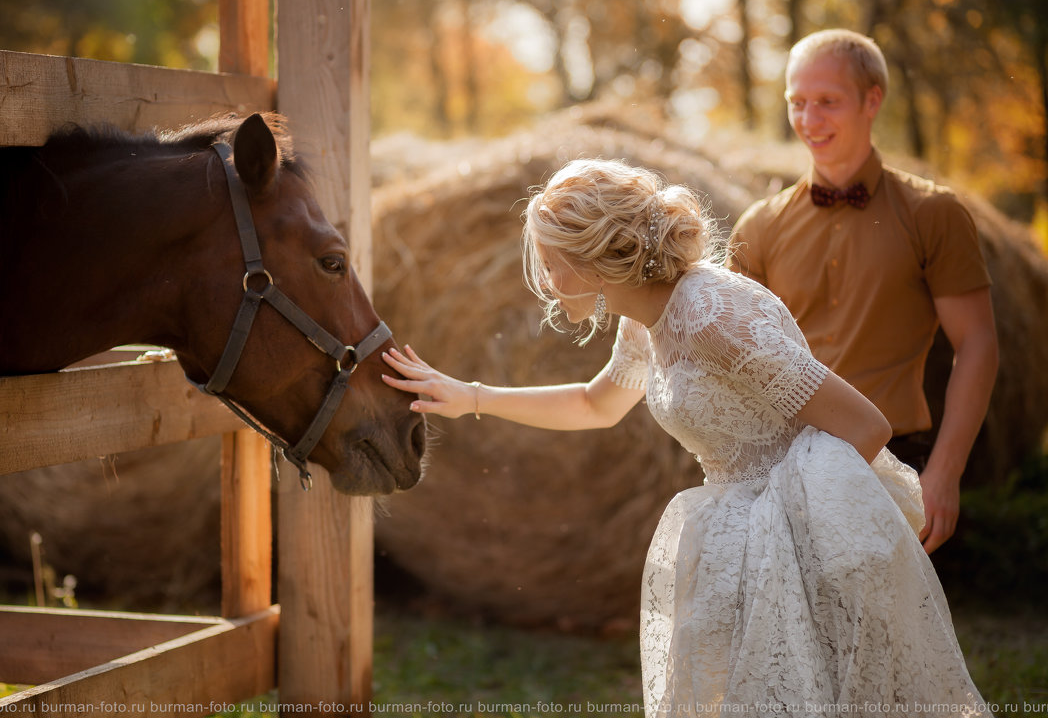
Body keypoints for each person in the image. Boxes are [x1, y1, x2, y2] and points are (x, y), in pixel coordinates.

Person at [382, 158, 991, 713]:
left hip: (794, 536)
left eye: (548, 260)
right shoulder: (644, 319)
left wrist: (779, 535)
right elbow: (597, 404)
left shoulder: (711, 314)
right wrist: (473, 397)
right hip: (732, 535)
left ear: (589, 256)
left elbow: (864, 426)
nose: (540, 276)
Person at [728, 28, 999, 555]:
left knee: (883, 636)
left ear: (872, 100)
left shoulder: (934, 215)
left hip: (894, 461)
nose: (809, 121)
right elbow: (734, 358)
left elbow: (978, 345)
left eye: (828, 102)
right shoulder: (757, 227)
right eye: (797, 103)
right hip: (784, 462)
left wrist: (944, 471)